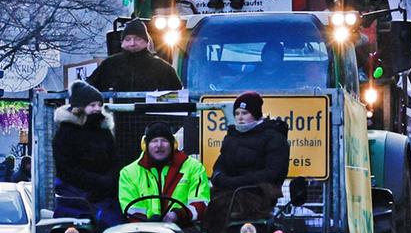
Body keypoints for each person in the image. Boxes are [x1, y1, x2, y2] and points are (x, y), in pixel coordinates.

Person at [209, 91, 290, 220]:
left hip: (257, 195)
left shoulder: (273, 137)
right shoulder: (232, 137)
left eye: (245, 113)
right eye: (237, 113)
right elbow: (220, 163)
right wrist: (219, 177)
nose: (240, 117)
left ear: (256, 114)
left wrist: (237, 182)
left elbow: (274, 171)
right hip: (227, 191)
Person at [52, 82, 121, 222]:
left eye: (99, 105)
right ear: (80, 107)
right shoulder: (66, 133)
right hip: (74, 196)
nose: (97, 109)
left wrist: (109, 180)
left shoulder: (104, 132)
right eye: (92, 105)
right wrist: (99, 181)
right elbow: (66, 168)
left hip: (103, 193)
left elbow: (114, 159)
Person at [118, 122, 212, 224]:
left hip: (183, 227)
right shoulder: (128, 173)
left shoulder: (194, 168)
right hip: (142, 230)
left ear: (173, 144)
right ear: (145, 145)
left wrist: (176, 215)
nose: (159, 145)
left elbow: (200, 204)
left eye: (164, 140)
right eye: (154, 141)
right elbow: (132, 211)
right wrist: (149, 226)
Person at [87, 18, 183, 95]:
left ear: (146, 42)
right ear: (122, 43)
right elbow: (88, 87)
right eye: (128, 39)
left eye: (137, 39)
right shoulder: (108, 65)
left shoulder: (162, 68)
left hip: (151, 119)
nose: (132, 43)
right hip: (115, 118)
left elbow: (176, 95)